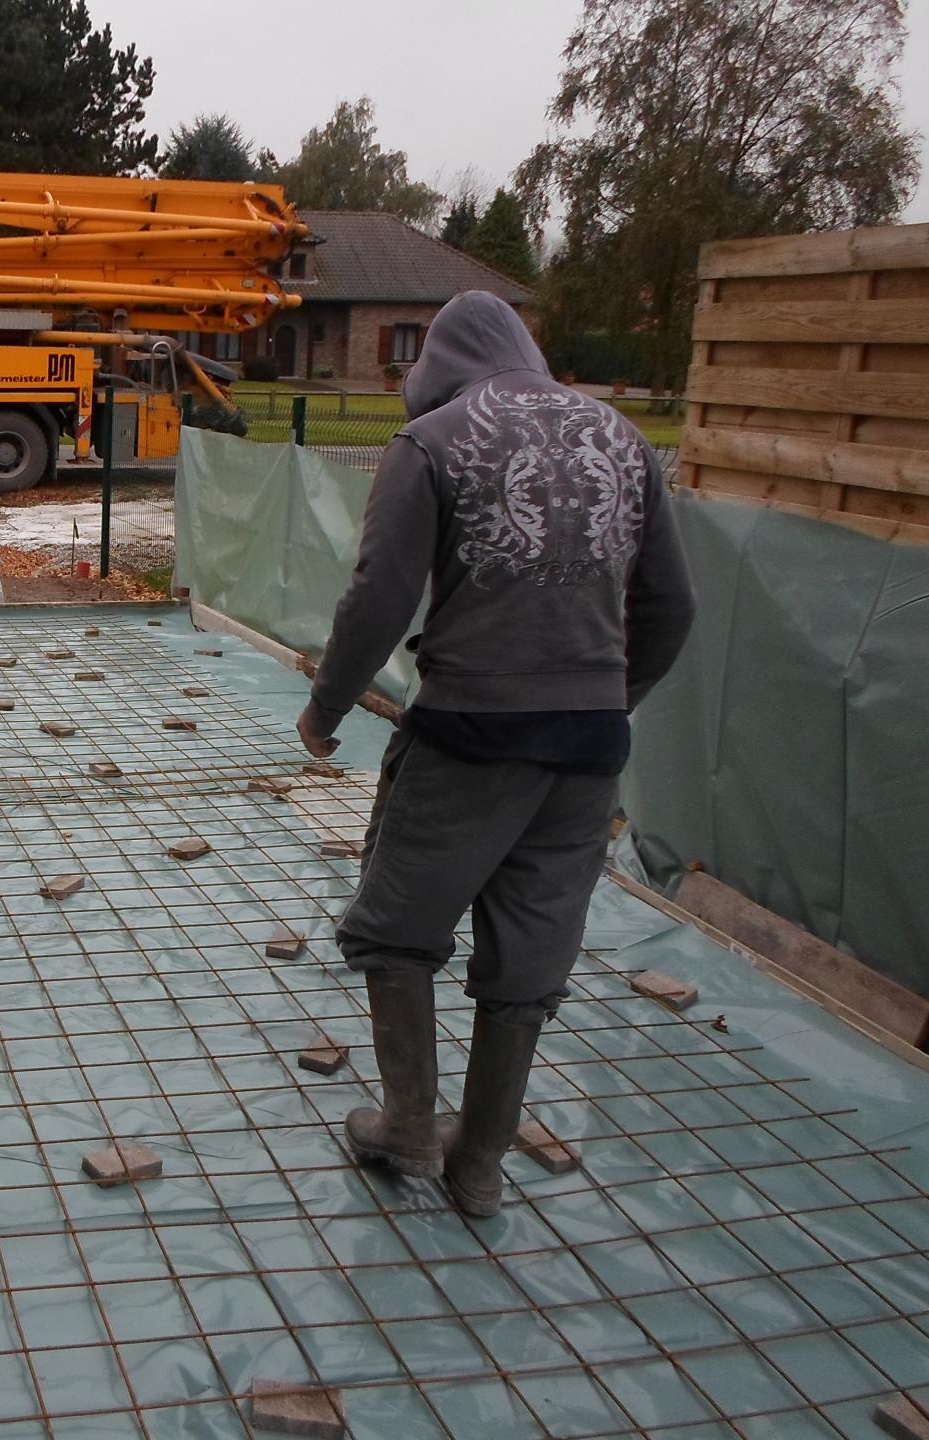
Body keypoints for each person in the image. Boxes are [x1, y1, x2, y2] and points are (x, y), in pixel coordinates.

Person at [296, 290, 697, 1217]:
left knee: (394, 928)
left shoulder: (431, 442)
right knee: (530, 957)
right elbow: (672, 608)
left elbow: (378, 599)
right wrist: (608, 699)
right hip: (588, 752)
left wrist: (325, 709)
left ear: (438, 364)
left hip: (471, 737)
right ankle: (479, 1169)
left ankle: (407, 1130)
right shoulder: (625, 441)